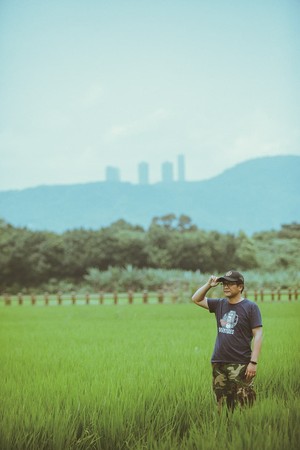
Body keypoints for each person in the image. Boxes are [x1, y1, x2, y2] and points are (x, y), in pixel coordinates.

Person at [192, 270, 263, 412]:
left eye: (230, 284)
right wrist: (208, 285)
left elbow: (259, 334)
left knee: (245, 405)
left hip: (241, 363)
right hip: (219, 363)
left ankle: (245, 430)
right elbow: (196, 299)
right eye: (224, 284)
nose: (225, 287)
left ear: (240, 287)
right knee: (221, 405)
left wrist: (253, 362)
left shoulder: (250, 307)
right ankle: (225, 429)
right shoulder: (219, 304)